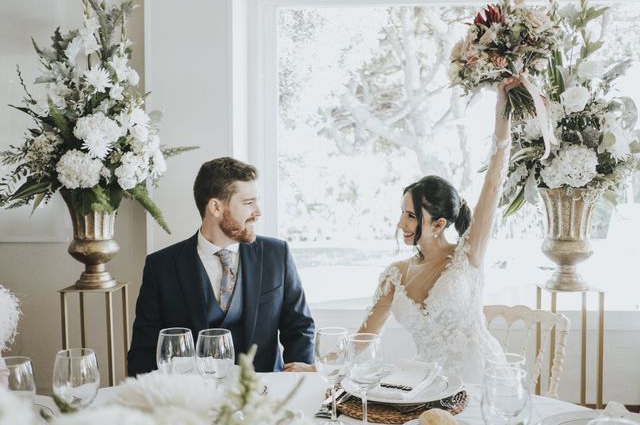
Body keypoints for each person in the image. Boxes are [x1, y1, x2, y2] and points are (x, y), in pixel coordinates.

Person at [284, 78, 518, 380]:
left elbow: (494, 183)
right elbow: (362, 340)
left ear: (439, 224)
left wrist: (503, 111)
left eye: (410, 216)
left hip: (482, 380)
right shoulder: (395, 275)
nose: (401, 224)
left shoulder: (468, 255)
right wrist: (316, 367)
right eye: (401, 213)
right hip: (427, 384)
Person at [128, 157, 315, 375]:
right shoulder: (161, 266)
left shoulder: (277, 254)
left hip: (265, 394)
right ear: (216, 207)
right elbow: (144, 351)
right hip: (194, 399)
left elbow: (300, 328)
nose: (258, 211)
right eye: (248, 203)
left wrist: (296, 386)